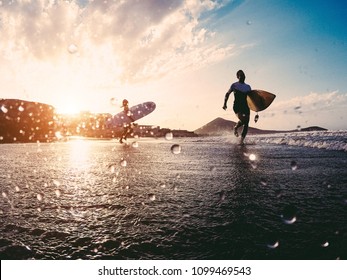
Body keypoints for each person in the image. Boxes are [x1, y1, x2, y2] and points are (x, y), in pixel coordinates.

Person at [223, 70, 251, 145]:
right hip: (237, 106)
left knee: (246, 123)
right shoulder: (234, 85)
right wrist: (225, 104)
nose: (243, 77)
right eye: (241, 75)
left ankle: (241, 141)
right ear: (238, 77)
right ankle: (236, 127)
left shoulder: (248, 87)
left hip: (246, 106)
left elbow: (251, 98)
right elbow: (227, 94)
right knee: (243, 120)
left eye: (244, 75)